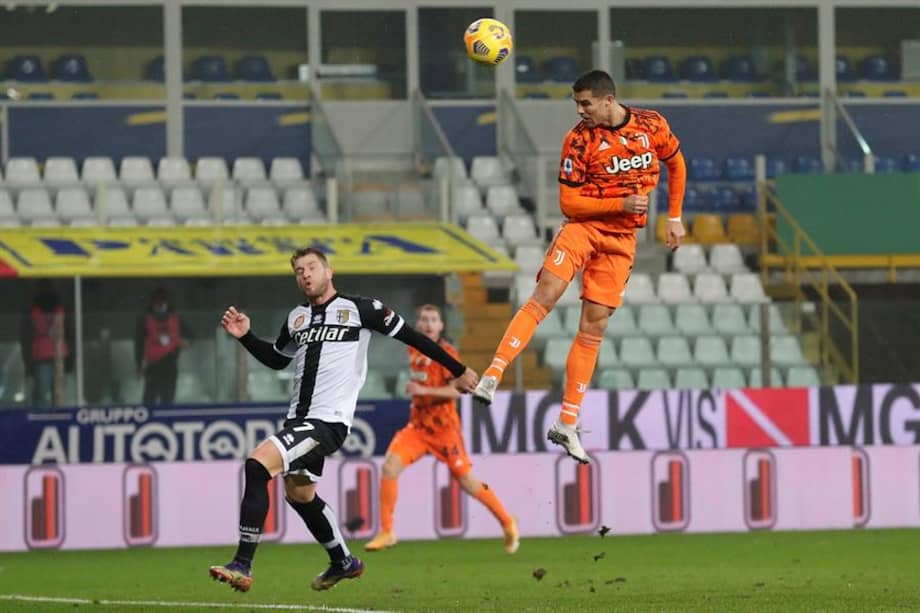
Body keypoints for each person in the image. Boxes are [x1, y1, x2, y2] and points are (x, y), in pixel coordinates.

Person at [209, 247, 479, 593]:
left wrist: (458, 371)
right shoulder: (296, 318)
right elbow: (278, 360)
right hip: (299, 421)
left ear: (328, 271)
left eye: (311, 267)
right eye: (298, 271)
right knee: (300, 495)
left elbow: (412, 336)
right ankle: (343, 562)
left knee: (257, 465)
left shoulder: (361, 309)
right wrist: (246, 336)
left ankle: (242, 564)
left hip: (328, 421)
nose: (305, 274)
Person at [473, 69, 686, 464]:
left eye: (585, 103)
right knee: (547, 293)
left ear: (608, 100)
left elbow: (676, 163)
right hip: (584, 229)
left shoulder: (652, 125)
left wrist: (674, 216)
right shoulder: (578, 140)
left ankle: (567, 422)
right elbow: (569, 204)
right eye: (577, 103)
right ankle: (493, 374)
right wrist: (618, 205)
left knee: (595, 325)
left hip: (621, 241)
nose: (579, 110)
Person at [364, 304, 518, 554]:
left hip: (444, 429)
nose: (427, 324)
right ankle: (387, 531)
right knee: (390, 466)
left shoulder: (447, 353)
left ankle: (507, 522)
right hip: (417, 427)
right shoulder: (413, 349)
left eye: (433, 320)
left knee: (467, 482)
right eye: (423, 319)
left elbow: (458, 390)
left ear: (441, 326)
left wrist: (425, 391)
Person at [20, 280, 72, 408]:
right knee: (45, 394)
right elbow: (26, 337)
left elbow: (70, 334)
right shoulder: (34, 311)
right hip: (45, 356)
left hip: (55, 355)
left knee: (53, 393)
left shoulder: (59, 310)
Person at [135, 288, 191, 405]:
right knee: (149, 400)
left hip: (170, 364)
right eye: (157, 301)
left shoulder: (176, 318)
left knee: (168, 399)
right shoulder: (145, 320)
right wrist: (139, 365)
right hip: (153, 365)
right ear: (152, 302)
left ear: (167, 302)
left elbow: (191, 335)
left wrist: (186, 342)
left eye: (162, 301)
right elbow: (139, 343)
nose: (160, 304)